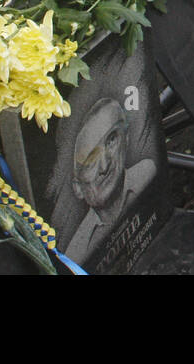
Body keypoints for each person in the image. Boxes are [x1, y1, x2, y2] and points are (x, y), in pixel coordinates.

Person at [66, 97, 157, 263]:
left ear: (126, 138)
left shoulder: (149, 172)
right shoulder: (77, 253)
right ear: (77, 187)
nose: (105, 166)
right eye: (90, 161)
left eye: (111, 140)